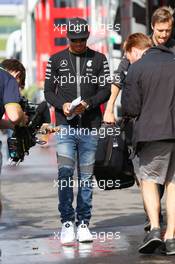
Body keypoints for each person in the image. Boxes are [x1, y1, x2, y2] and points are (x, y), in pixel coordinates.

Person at [104, 5, 175, 231]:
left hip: (167, 120)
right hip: (142, 123)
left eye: (168, 31)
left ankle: (158, 221)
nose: (164, 35)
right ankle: (153, 216)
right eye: (161, 30)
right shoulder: (140, 48)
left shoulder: (173, 50)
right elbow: (118, 80)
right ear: (152, 26)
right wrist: (109, 108)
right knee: (146, 175)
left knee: (161, 177)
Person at [44, 17, 110, 244]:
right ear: (67, 38)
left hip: (90, 127)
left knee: (86, 177)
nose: (79, 44)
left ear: (87, 37)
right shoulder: (55, 60)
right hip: (64, 126)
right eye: (75, 40)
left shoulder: (99, 58)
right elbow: (48, 92)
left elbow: (106, 90)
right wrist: (60, 105)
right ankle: (66, 222)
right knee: (64, 175)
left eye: (82, 40)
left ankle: (83, 223)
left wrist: (89, 103)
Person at [121, 32, 175, 255]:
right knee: (173, 183)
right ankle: (171, 236)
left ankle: (154, 228)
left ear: (136, 51)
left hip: (152, 134)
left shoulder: (137, 68)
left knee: (149, 179)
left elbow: (130, 108)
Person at [0, 59, 27, 214]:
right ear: (17, 75)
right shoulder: (8, 79)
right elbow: (14, 115)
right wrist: (22, 118)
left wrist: (11, 126)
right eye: (20, 86)